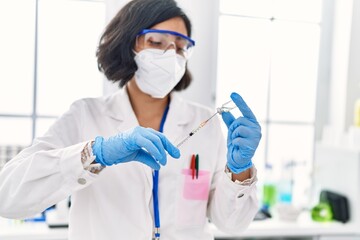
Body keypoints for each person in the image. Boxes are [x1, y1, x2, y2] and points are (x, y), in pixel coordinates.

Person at [0, 0, 262, 239]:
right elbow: (8, 196)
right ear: (128, 44)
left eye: (181, 47)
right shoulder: (85, 115)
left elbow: (232, 224)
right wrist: (96, 154)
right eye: (157, 42)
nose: (171, 55)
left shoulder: (204, 121)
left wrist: (239, 172)